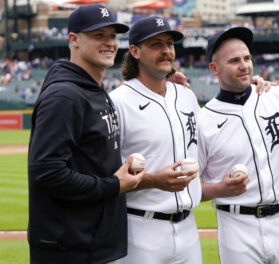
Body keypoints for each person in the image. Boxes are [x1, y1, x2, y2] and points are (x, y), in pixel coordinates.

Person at [27, 4, 144, 264]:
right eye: (98, 35)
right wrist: (113, 185)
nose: (109, 43)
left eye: (112, 36)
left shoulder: (94, 89)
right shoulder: (64, 96)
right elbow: (46, 171)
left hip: (93, 242)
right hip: (68, 248)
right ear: (74, 40)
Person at [198, 27, 279, 263]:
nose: (244, 65)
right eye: (234, 61)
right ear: (214, 69)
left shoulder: (277, 96)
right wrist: (218, 190)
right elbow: (186, 189)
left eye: (247, 58)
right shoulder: (204, 121)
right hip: (236, 225)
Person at [109, 16, 202, 264]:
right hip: (140, 229)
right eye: (156, 44)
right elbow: (106, 175)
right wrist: (153, 180)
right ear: (135, 51)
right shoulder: (118, 102)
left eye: (169, 44)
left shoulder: (186, 96)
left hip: (189, 229)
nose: (166, 51)